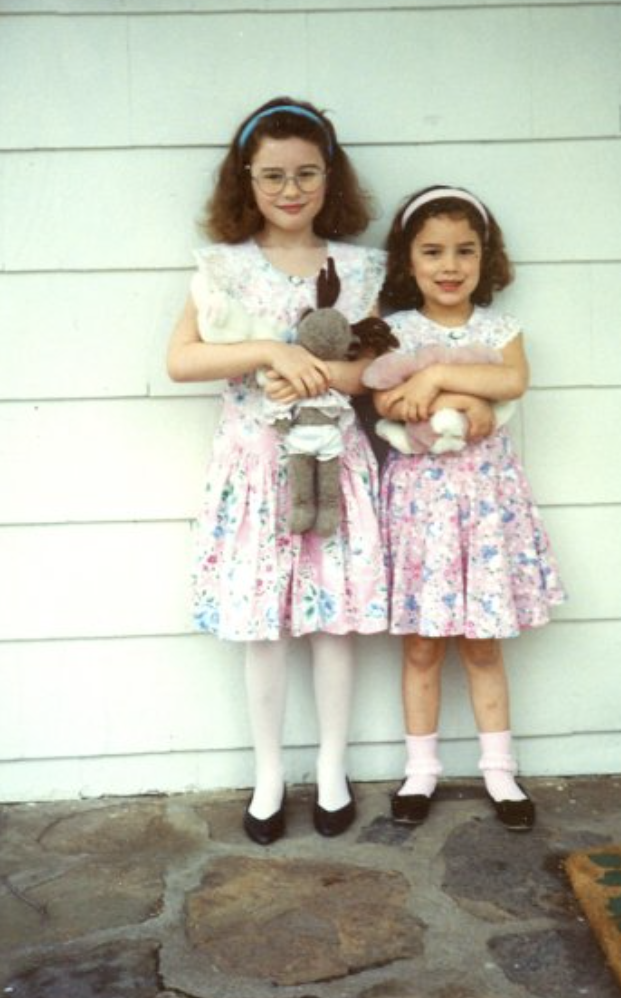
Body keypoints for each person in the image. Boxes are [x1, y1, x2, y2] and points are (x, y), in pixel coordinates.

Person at [166, 97, 390, 845]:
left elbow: (374, 372)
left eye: (306, 174)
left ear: (331, 176)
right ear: (246, 181)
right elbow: (182, 360)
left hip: (332, 463)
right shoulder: (224, 269)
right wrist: (271, 352)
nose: (290, 190)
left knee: (331, 621)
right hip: (258, 469)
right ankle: (268, 774)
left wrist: (323, 374)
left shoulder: (358, 268)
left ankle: (332, 766)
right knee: (264, 623)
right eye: (272, 177)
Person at [374, 186, 566, 831]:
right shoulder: (393, 330)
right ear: (409, 260)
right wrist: (438, 387)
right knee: (424, 646)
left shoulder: (499, 331)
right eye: (433, 252)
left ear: (487, 257)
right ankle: (420, 770)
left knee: (482, 646)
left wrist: (433, 379)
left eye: (465, 251)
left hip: (485, 511)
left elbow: (510, 380)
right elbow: (388, 403)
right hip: (424, 511)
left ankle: (499, 770)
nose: (450, 265)